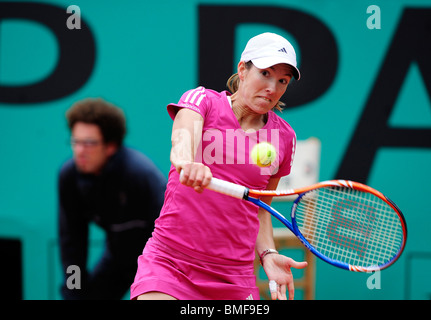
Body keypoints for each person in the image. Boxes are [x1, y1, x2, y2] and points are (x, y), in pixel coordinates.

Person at [131, 32, 307, 300]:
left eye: (282, 80)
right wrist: (188, 163)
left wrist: (268, 254)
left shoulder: (285, 138)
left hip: (234, 277)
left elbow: (261, 209)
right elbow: (182, 140)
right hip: (171, 264)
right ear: (242, 70)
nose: (273, 87)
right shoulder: (203, 102)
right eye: (265, 73)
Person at [58, 98, 167, 299]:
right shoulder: (69, 177)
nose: (80, 151)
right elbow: (72, 244)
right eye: (76, 142)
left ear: (111, 146)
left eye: (89, 143)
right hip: (117, 257)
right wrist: (74, 288)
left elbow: (172, 234)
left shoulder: (140, 175)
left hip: (157, 260)